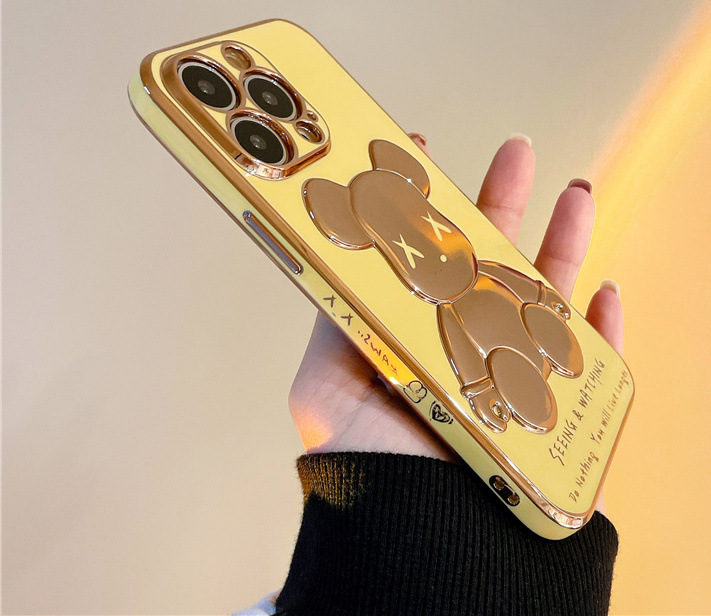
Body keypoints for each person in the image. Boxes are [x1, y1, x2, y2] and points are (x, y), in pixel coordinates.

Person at [236, 133, 624, 616]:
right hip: (494, 340)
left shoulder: (475, 279)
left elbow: (507, 283)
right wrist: (479, 388)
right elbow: (462, 353)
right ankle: (525, 360)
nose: (435, 253)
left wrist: (540, 297)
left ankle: (538, 338)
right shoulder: (448, 317)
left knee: (523, 322)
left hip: (504, 309)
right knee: (503, 354)